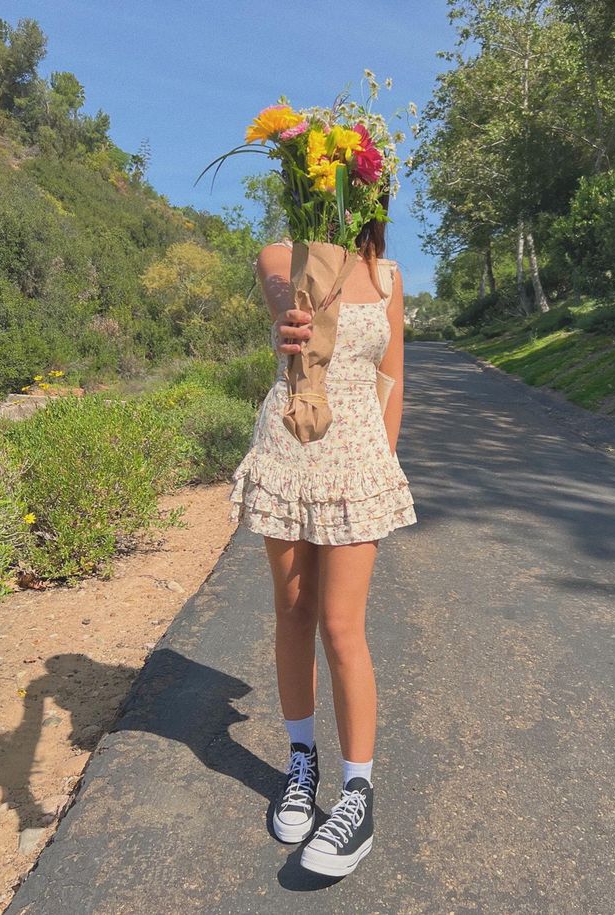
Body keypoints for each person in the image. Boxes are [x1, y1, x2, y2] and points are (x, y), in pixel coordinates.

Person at [228, 194, 417, 878]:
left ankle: (358, 791)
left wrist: (383, 470)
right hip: (288, 449)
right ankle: (301, 760)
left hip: (356, 462)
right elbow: (285, 299)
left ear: (369, 192)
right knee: (293, 610)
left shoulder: (390, 277)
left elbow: (391, 380)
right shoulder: (283, 257)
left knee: (342, 625)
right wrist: (291, 318)